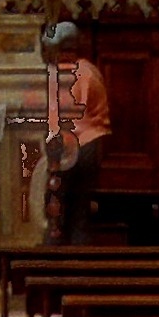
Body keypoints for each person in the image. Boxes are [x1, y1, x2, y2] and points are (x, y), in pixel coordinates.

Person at [37, 17, 111, 243]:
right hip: (92, 144)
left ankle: (53, 271)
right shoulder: (90, 71)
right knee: (80, 213)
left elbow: (53, 114)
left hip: (67, 147)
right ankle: (80, 271)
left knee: (56, 215)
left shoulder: (59, 75)